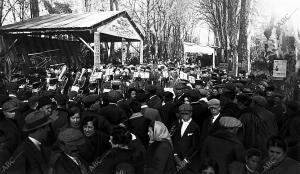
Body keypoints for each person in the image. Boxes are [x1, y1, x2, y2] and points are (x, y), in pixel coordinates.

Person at [171, 104, 201, 174]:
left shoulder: (195, 127)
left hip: (189, 162)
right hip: (176, 160)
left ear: (191, 113)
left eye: (186, 114)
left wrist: (185, 160)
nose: (184, 115)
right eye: (182, 114)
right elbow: (173, 140)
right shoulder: (176, 124)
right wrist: (175, 156)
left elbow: (196, 146)